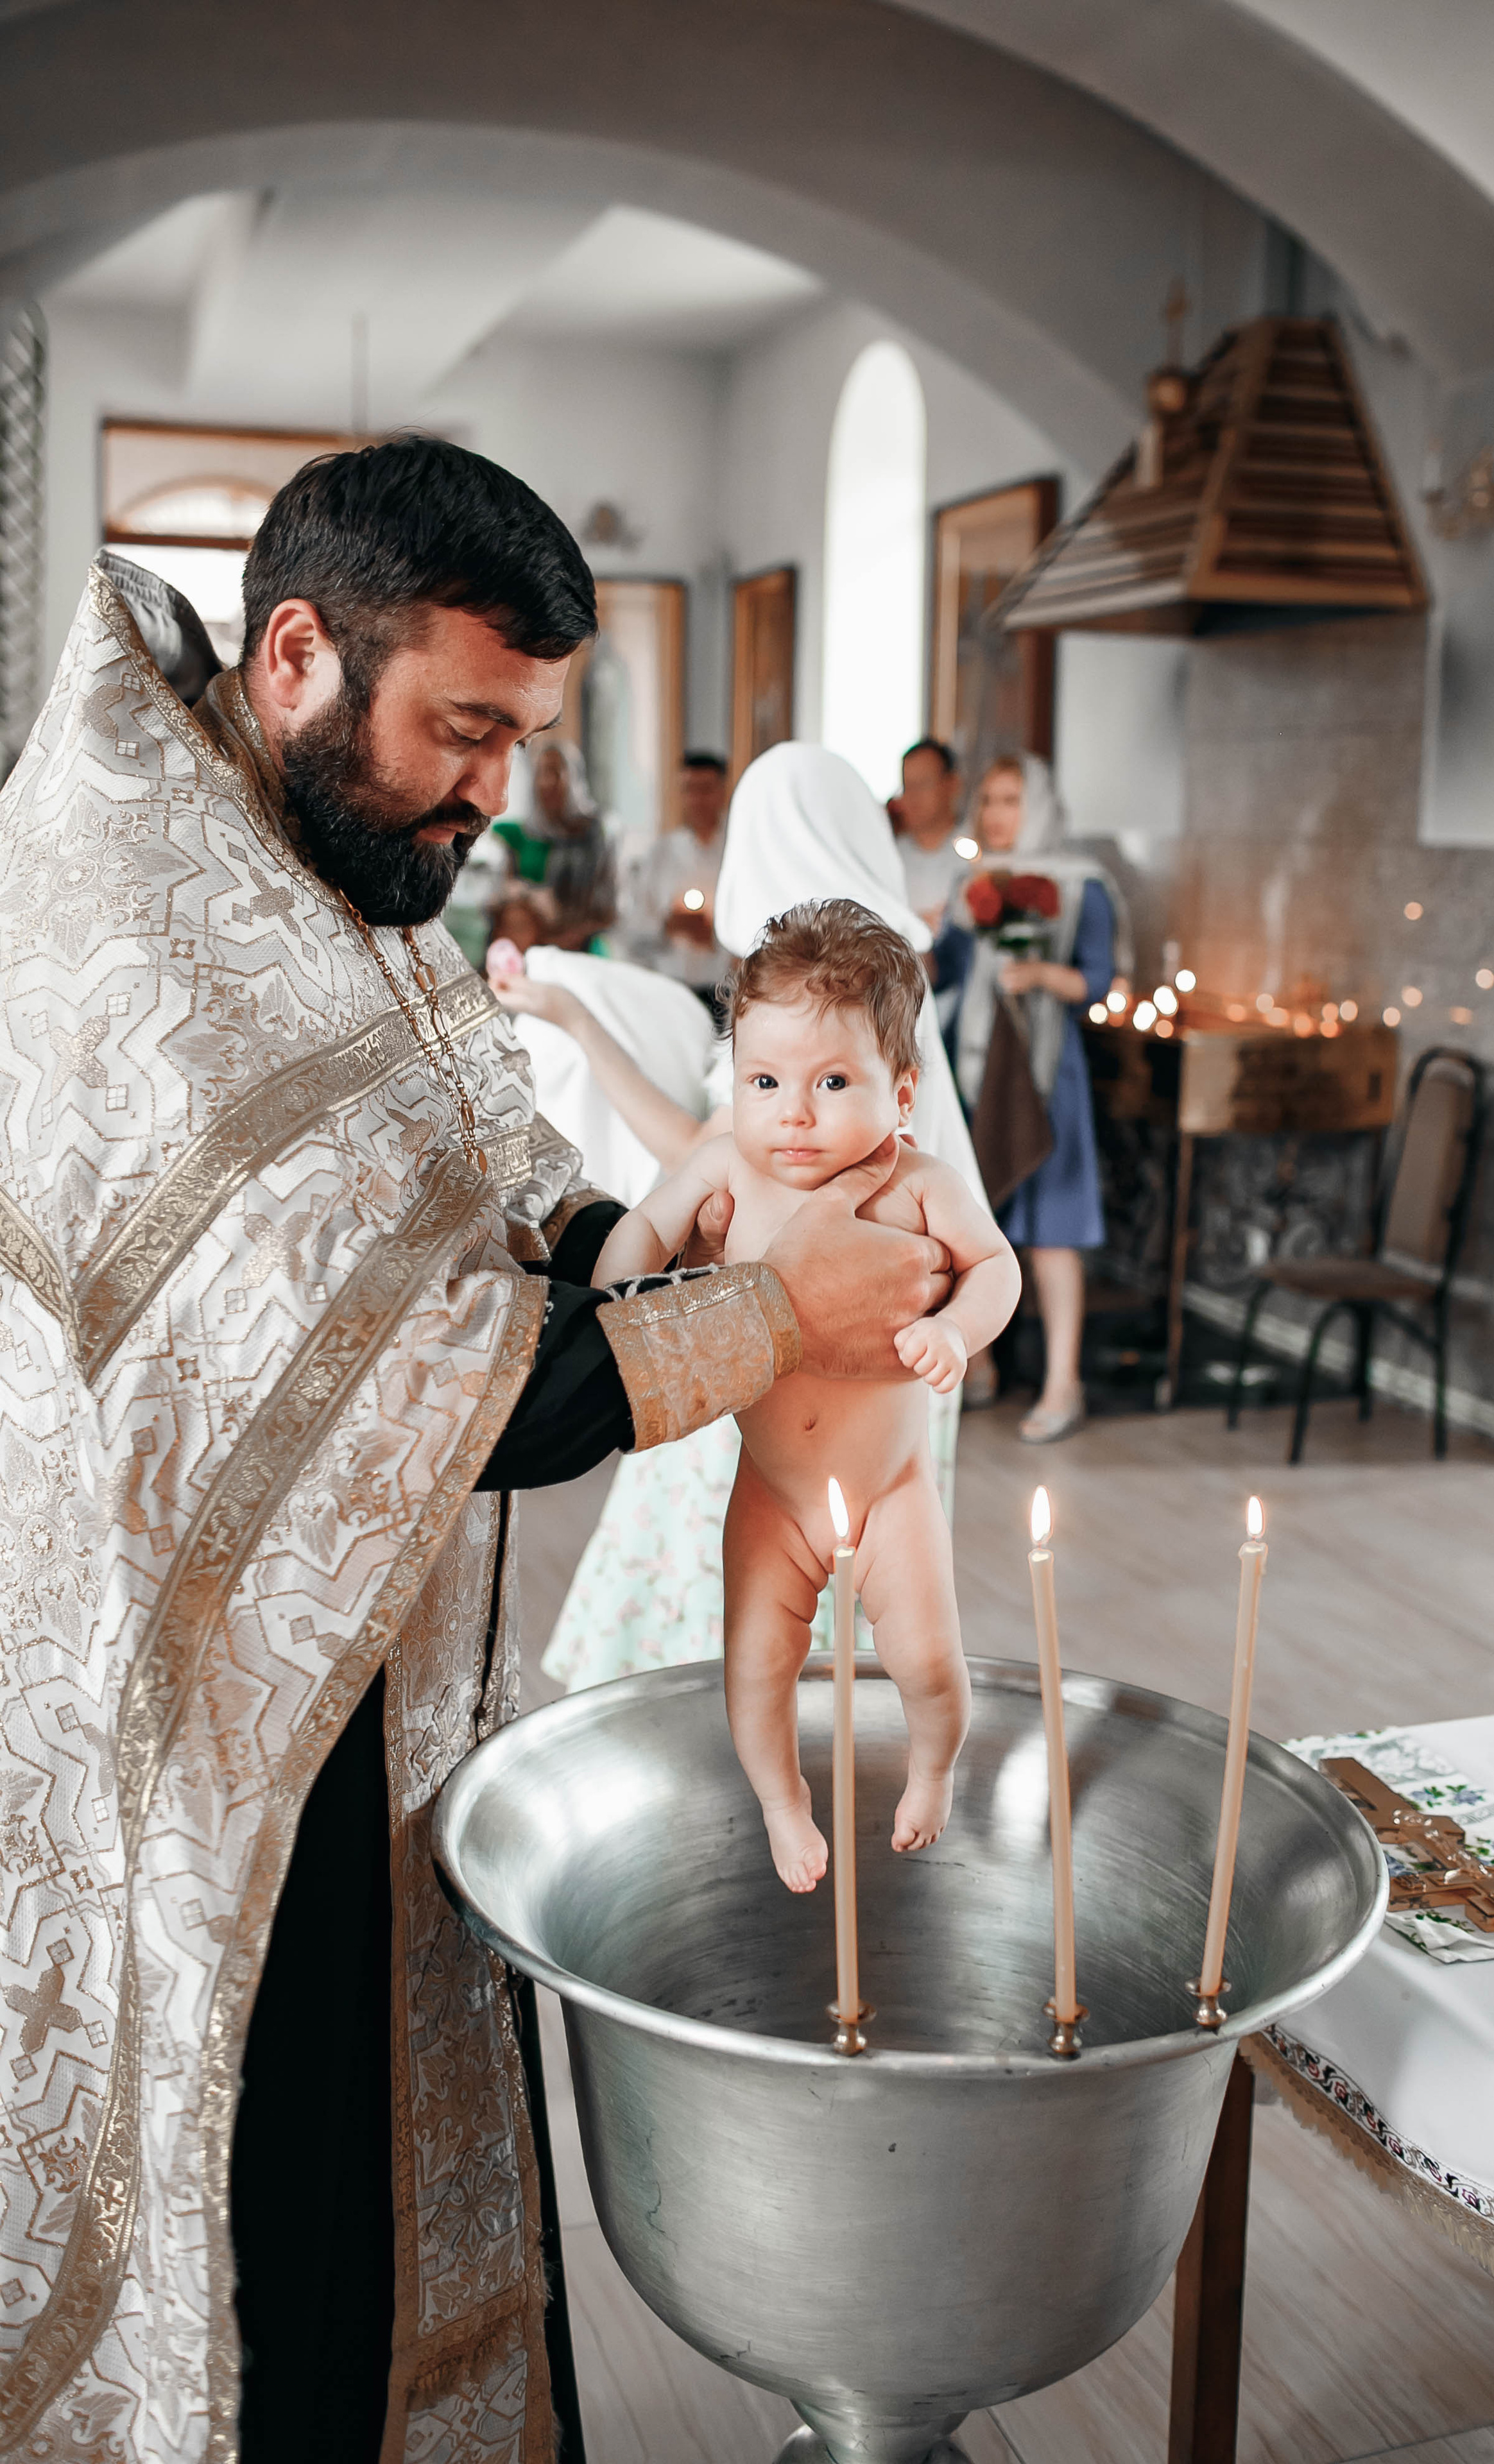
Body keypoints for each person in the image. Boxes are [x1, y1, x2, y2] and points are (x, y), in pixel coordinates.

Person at [0, 438, 952, 2464]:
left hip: (344, 1655)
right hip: (182, 1723)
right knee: (274, 2216)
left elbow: (473, 1172)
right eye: (463, 727)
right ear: (292, 656)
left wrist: (649, 1229)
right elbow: (404, 1384)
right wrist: (777, 1309)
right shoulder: (149, 934)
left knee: (369, 2160)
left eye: (521, 737)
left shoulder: (315, 851)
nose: (492, 790)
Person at [504, 740, 990, 1696]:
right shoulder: (886, 986)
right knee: (864, 1606)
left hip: (781, 1345)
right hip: (883, 1357)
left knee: (746, 1624)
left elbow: (705, 1150)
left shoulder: (813, 1002)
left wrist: (575, 1021)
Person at [595, 902, 1018, 1886]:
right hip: (771, 1487)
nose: (795, 1111)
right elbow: (642, 1237)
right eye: (766, 1080)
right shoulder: (723, 1163)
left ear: (900, 1092)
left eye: (833, 1082)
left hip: (891, 1485)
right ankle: (786, 1807)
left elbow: (995, 1265)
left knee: (926, 1661)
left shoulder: (916, 1182)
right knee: (755, 1666)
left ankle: (935, 1765)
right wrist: (616, 1305)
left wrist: (955, 1328)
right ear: (734, 1078)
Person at [936, 751, 1122, 1445]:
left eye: (1010, 799)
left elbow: (1100, 983)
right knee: (972, 1223)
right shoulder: (971, 881)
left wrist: (1042, 971)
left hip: (1047, 1075)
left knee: (1051, 1231)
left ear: (1039, 805)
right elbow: (951, 968)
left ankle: (1061, 1382)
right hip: (975, 1068)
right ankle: (976, 1365)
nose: (995, 814)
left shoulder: (1082, 886)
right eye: (988, 800)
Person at [623, 747, 730, 998]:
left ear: (722, 792)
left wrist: (713, 935)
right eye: (689, 790)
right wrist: (668, 925)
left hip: (724, 986)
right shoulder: (663, 852)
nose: (697, 800)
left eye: (705, 790)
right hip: (671, 984)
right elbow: (635, 925)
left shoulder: (737, 851)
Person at [506, 737, 617, 948]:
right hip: (536, 944)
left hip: (587, 944)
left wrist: (568, 937)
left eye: (556, 772)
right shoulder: (527, 833)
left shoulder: (597, 831)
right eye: (541, 773)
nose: (547, 782)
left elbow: (608, 908)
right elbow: (508, 887)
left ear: (574, 776)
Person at [892, 734, 968, 932]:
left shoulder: (975, 851)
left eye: (924, 784)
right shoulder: (889, 857)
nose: (913, 796)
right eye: (908, 786)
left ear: (952, 784)